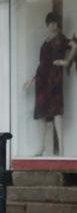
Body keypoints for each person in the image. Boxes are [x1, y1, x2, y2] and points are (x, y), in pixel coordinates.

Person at [24, 11, 75, 156]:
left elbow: (74, 45)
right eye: (50, 23)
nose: (52, 25)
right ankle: (42, 147)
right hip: (42, 78)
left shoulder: (61, 38)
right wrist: (32, 80)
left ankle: (62, 149)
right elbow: (41, 64)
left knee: (56, 112)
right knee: (41, 114)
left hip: (54, 79)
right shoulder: (45, 41)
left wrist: (67, 61)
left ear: (58, 24)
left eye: (54, 23)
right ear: (47, 24)